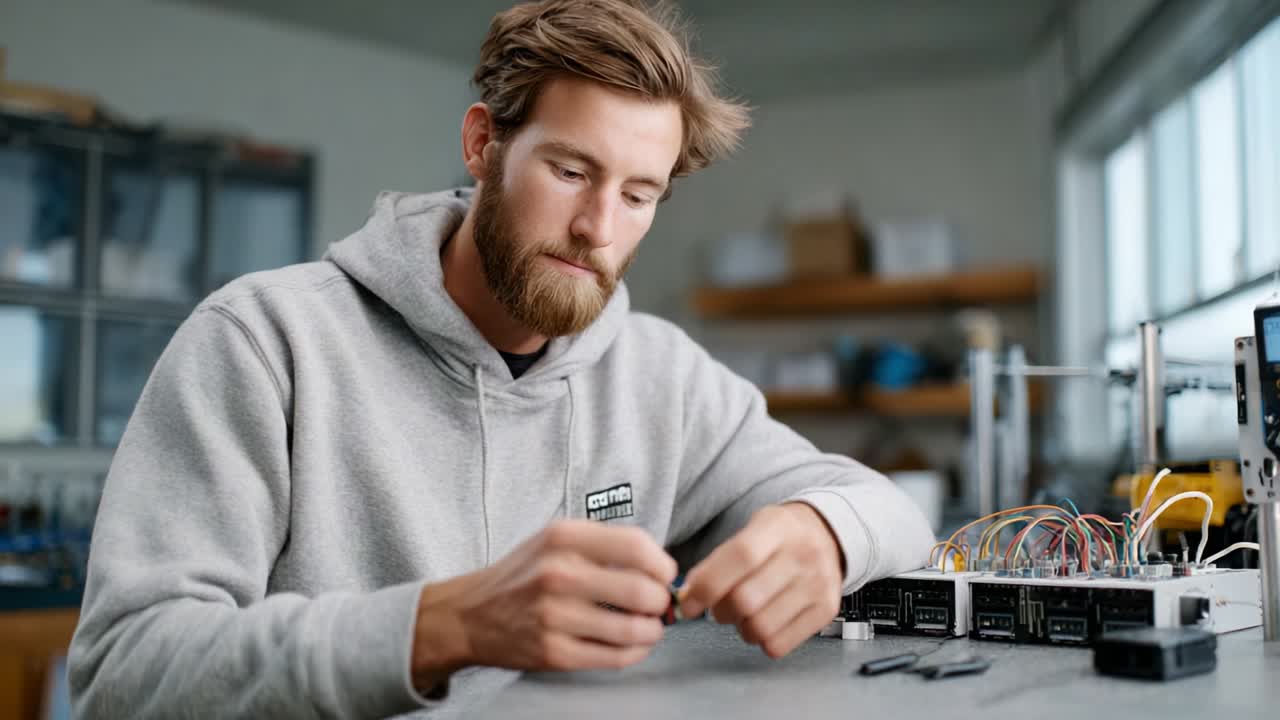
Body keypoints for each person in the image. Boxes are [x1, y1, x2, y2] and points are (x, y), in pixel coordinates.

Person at [68, 1, 934, 717]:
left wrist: (822, 531)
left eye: (639, 195)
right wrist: (443, 626)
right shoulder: (264, 343)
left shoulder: (660, 377)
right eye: (569, 172)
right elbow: (124, 674)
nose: (600, 227)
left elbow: (888, 510)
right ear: (484, 144)